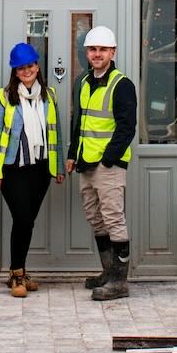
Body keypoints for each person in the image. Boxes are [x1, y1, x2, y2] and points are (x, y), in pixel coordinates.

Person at [0, 41, 63, 298]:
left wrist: (59, 166)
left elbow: (56, 134)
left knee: (27, 222)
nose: (26, 71)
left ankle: (18, 271)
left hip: (41, 168)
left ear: (37, 66)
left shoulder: (49, 96)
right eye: (21, 68)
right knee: (22, 219)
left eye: (29, 65)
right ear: (15, 72)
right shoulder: (4, 97)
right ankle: (16, 273)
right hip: (13, 169)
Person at [66, 24, 136, 301]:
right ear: (86, 53)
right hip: (86, 163)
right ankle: (107, 272)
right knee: (96, 219)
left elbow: (126, 128)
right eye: (93, 49)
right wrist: (73, 154)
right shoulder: (83, 82)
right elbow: (79, 123)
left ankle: (119, 282)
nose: (97, 54)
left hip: (109, 165)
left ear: (112, 52)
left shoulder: (122, 85)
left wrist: (108, 158)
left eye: (103, 50)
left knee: (113, 219)